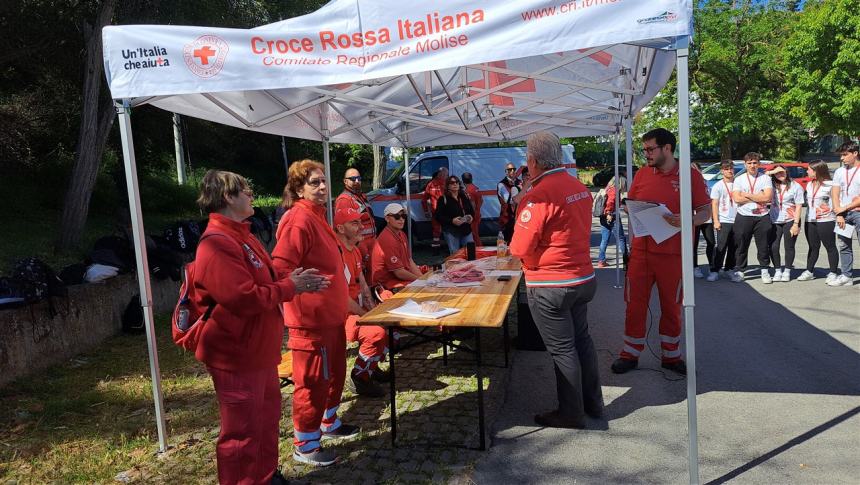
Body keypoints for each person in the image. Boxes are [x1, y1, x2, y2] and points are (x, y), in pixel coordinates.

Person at [192, 169, 328, 484]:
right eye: (246, 190)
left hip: (259, 351)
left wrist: (294, 280)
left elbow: (263, 280)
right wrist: (291, 287)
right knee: (241, 431)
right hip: (236, 354)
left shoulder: (244, 234)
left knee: (265, 421)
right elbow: (242, 299)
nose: (252, 195)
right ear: (228, 196)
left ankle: (265, 474)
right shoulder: (216, 243)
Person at [509, 131, 601, 428]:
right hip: (581, 277)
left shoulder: (538, 195)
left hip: (551, 283)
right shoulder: (578, 187)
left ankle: (571, 413)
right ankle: (593, 403)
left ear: (533, 161)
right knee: (582, 341)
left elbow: (519, 248)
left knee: (563, 350)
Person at [272, 160, 360, 467]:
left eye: (323, 181)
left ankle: (328, 423)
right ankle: (305, 444)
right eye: (314, 182)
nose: (322, 186)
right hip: (310, 322)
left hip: (332, 318)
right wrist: (298, 285)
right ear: (298, 189)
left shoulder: (318, 216)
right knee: (312, 381)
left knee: (334, 374)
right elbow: (281, 267)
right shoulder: (297, 220)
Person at [611, 128, 711, 376]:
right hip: (642, 253)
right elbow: (631, 203)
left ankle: (671, 356)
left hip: (673, 255)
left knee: (672, 306)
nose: (645, 154)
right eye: (644, 150)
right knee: (634, 304)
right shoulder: (643, 173)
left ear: (667, 148)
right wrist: (629, 209)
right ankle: (630, 354)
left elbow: (706, 213)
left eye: (649, 149)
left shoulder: (690, 176)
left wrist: (686, 219)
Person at [333, 206, 389, 398]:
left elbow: (363, 285)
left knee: (387, 321)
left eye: (361, 222)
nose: (361, 227)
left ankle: (371, 367)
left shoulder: (354, 250)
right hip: (341, 314)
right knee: (375, 332)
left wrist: (374, 310)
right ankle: (360, 377)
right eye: (354, 223)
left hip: (356, 309)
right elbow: (341, 298)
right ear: (341, 229)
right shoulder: (336, 254)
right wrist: (367, 316)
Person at [731, 152, 775, 284]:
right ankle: (740, 270)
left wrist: (747, 195)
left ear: (759, 164)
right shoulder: (739, 179)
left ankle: (764, 270)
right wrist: (757, 196)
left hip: (762, 216)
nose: (752, 165)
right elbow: (737, 198)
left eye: (755, 163)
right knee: (741, 244)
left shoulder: (765, 179)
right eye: (749, 163)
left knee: (763, 244)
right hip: (744, 216)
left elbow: (767, 197)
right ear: (745, 164)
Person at [797, 160, 840, 283]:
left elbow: (836, 201)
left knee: (830, 246)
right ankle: (809, 271)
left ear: (817, 171)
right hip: (810, 219)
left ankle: (833, 272)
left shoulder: (830, 185)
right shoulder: (810, 184)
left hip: (826, 220)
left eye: (809, 169)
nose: (807, 171)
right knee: (813, 246)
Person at [371, 203, 425, 290]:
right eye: (396, 217)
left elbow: (409, 260)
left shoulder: (401, 234)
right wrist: (420, 281)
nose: (401, 219)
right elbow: (399, 273)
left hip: (397, 279)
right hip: (386, 285)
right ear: (387, 218)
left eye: (403, 216)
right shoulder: (387, 239)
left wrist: (423, 279)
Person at [335, 168, 377, 271]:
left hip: (370, 242)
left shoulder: (361, 196)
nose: (357, 181)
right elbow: (344, 228)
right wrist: (358, 245)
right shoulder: (344, 200)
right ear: (345, 181)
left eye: (359, 178)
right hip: (359, 244)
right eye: (353, 179)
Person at [767, 166, 804, 282]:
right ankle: (777, 270)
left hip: (791, 220)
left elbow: (799, 206)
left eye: (782, 172)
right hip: (775, 220)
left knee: (789, 246)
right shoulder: (770, 185)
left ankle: (787, 271)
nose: (780, 174)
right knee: (773, 246)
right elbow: (762, 176)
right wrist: (773, 171)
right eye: (777, 173)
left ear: (787, 172)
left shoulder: (795, 186)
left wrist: (796, 224)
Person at [831, 141, 860, 287]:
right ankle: (846, 276)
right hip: (844, 214)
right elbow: (835, 193)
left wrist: (845, 207)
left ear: (855, 153)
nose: (842, 158)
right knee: (843, 245)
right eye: (841, 155)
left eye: (845, 155)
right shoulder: (839, 171)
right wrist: (839, 213)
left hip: (858, 213)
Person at [708, 160, 738, 281]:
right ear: (722, 171)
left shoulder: (738, 184)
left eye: (731, 168)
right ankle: (715, 270)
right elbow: (714, 204)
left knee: (734, 247)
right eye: (726, 169)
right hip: (724, 219)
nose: (729, 170)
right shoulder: (718, 186)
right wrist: (716, 220)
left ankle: (729, 269)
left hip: (738, 219)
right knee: (721, 246)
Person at [435, 175, 476, 253]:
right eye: (452, 182)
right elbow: (438, 216)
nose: (455, 184)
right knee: (455, 255)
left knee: (471, 253)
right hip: (452, 231)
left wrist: (471, 217)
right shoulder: (443, 199)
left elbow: (471, 211)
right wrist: (452, 221)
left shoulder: (464, 196)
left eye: (457, 182)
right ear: (448, 185)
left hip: (466, 229)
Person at [597, 175, 628, 268]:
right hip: (612, 216)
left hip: (603, 216)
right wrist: (609, 213)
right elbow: (610, 202)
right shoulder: (614, 190)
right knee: (621, 239)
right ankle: (626, 261)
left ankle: (601, 261)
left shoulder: (607, 188)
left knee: (604, 239)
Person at [692, 163, 716, 278]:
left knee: (711, 242)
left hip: (706, 218)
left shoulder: (705, 183)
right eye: (692, 169)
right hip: (694, 218)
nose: (695, 171)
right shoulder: (686, 183)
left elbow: (711, 200)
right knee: (693, 244)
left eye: (697, 169)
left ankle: (712, 266)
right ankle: (695, 267)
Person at [422, 167, 448, 253]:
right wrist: (426, 211)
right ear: (440, 174)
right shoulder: (432, 184)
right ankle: (437, 249)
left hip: (444, 212)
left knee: (446, 230)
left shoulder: (433, 184)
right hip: (438, 212)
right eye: (445, 174)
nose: (446, 176)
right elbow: (424, 199)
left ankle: (448, 248)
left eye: (446, 175)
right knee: (437, 231)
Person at [497, 162, 523, 243]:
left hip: (519, 217)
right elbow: (509, 200)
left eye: (514, 169)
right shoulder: (502, 184)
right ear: (506, 172)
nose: (512, 171)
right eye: (509, 169)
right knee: (505, 244)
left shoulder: (520, 182)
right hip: (507, 218)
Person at [462, 172, 483, 245]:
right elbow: (481, 201)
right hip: (477, 213)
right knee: (475, 233)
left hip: (473, 215)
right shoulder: (475, 188)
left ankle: (479, 249)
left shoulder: (468, 191)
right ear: (471, 179)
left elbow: (472, 204)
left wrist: (472, 215)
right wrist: (478, 210)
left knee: (474, 235)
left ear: (463, 181)